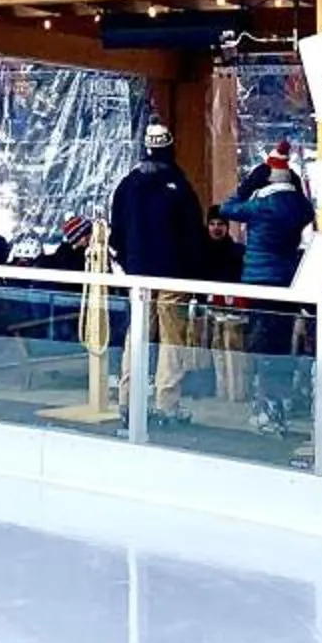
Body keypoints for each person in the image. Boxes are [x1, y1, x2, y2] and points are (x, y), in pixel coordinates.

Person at [209, 143, 317, 435]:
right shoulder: (298, 207)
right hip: (288, 282)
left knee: (262, 345)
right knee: (281, 344)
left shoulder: (261, 205)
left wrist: (247, 186)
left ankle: (268, 407)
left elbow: (227, 208)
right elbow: (308, 210)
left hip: (258, 283)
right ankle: (279, 402)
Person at [108, 122, 209, 423]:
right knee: (171, 340)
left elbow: (117, 234)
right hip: (172, 275)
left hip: (138, 273)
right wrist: (195, 276)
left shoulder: (127, 186)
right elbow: (192, 237)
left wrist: (129, 263)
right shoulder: (179, 186)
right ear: (171, 146)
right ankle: (167, 403)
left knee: (135, 337)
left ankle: (128, 402)